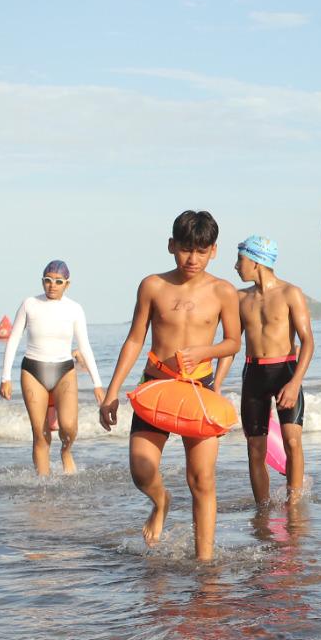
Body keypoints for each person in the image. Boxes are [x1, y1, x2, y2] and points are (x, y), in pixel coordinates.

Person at [99, 211, 241, 561]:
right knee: (140, 469)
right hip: (156, 385)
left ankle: (204, 561)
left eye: (202, 251)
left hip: (199, 390)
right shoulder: (153, 286)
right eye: (186, 249)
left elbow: (234, 342)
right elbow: (135, 339)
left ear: (214, 251)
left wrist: (204, 351)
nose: (193, 259)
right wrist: (111, 392)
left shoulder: (223, 291)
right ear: (171, 246)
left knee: (201, 480)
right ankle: (161, 501)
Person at [0, 260, 103, 475]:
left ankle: (66, 451)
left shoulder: (74, 309)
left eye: (58, 281)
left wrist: (97, 384)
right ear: (42, 281)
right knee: (40, 434)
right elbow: (14, 338)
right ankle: (43, 485)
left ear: (67, 284)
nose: (52, 285)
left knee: (69, 427)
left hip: (64, 370)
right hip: (33, 370)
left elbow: (85, 347)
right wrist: (5, 377)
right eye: (47, 280)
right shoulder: (29, 304)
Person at [234, 234, 314, 505]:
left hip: (285, 372)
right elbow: (232, 343)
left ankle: (293, 506)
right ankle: (263, 509)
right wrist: (216, 384)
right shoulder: (239, 298)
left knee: (292, 441)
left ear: (256, 261)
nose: (236, 266)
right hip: (253, 374)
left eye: (240, 259)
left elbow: (307, 341)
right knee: (255, 449)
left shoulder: (290, 293)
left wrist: (295, 383)